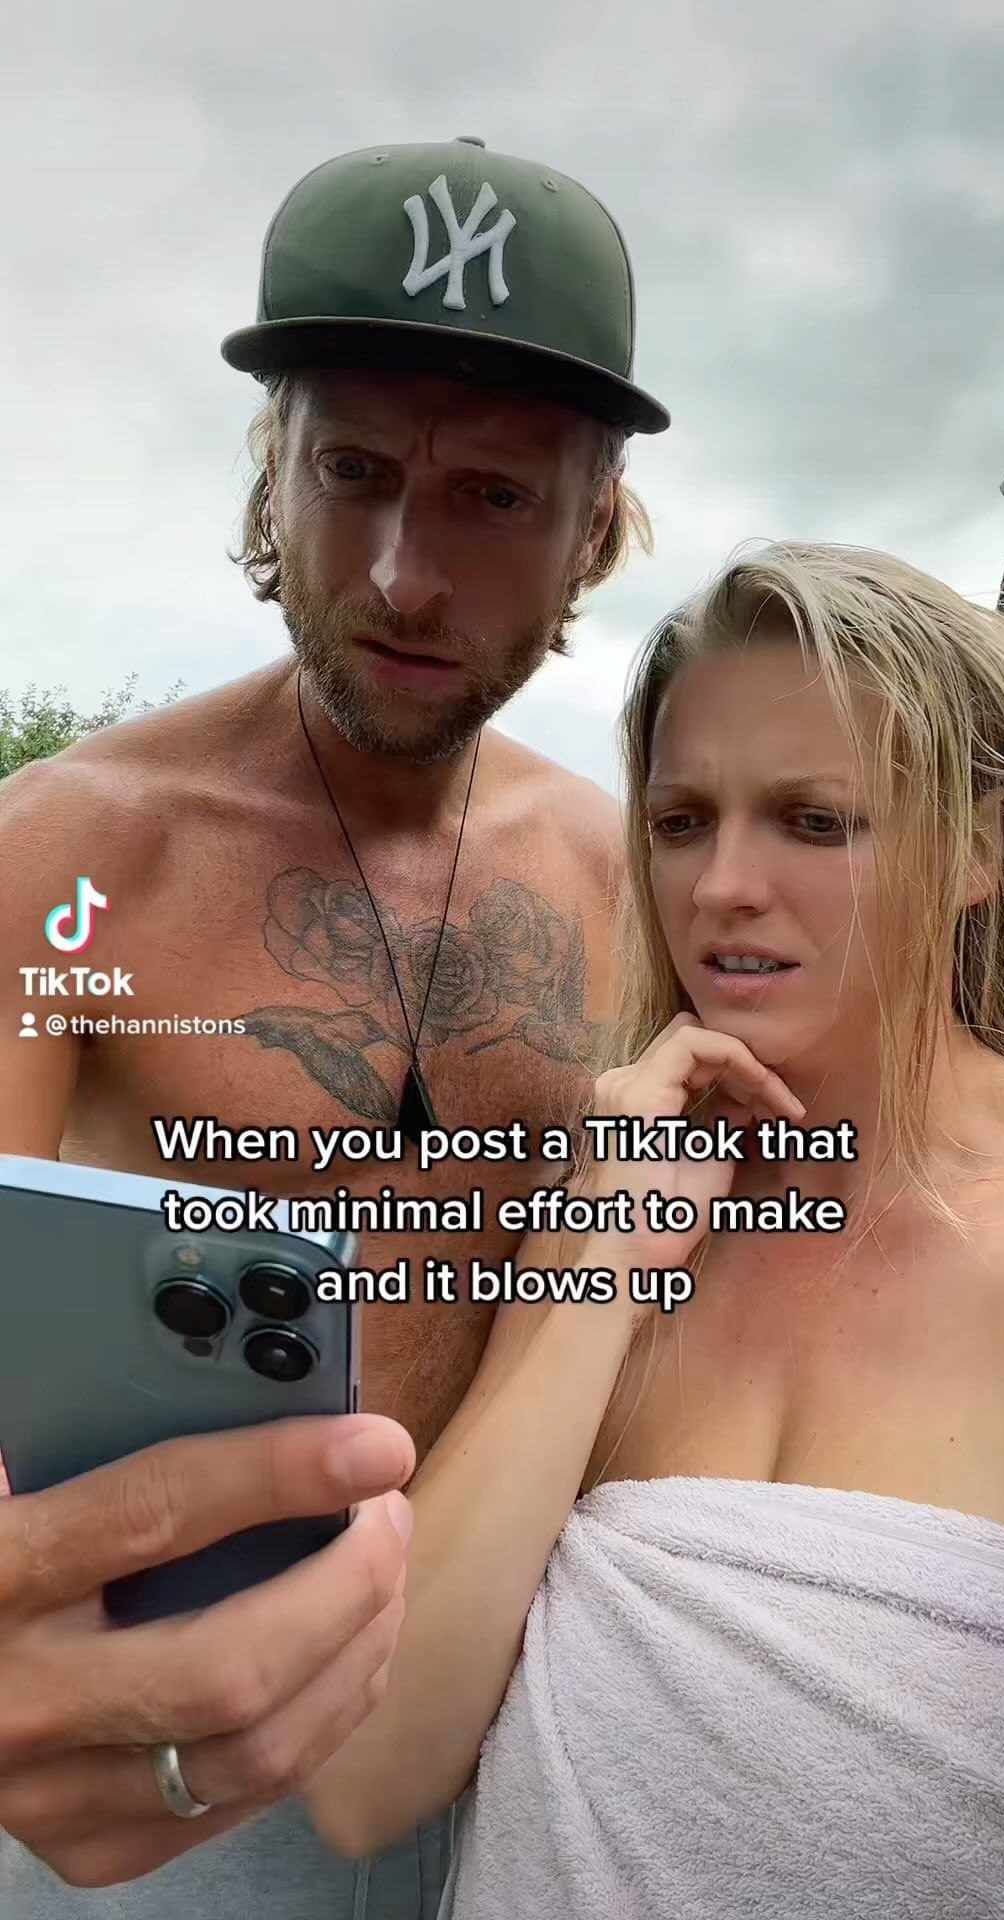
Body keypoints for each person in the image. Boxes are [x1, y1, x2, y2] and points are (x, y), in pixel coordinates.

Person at [0, 136, 667, 1915]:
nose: (401, 575)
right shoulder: (68, 856)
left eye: (494, 498)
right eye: (353, 471)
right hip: (155, 1747)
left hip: (537, 1732)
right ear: (270, 470)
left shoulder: (632, 877)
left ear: (595, 527)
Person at [301, 542, 1004, 1917]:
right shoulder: (615, 1204)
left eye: (815, 821)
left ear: (984, 847)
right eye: (679, 821)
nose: (720, 886)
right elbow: (369, 1776)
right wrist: (595, 1268)